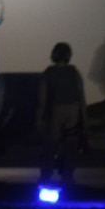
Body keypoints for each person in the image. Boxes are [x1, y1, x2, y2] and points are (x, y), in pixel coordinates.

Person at [36, 42, 87, 184]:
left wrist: (39, 119)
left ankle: (46, 176)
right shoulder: (74, 73)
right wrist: (84, 119)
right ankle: (68, 176)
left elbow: (42, 98)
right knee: (70, 146)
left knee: (50, 146)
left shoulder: (49, 73)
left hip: (56, 110)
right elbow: (81, 97)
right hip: (73, 111)